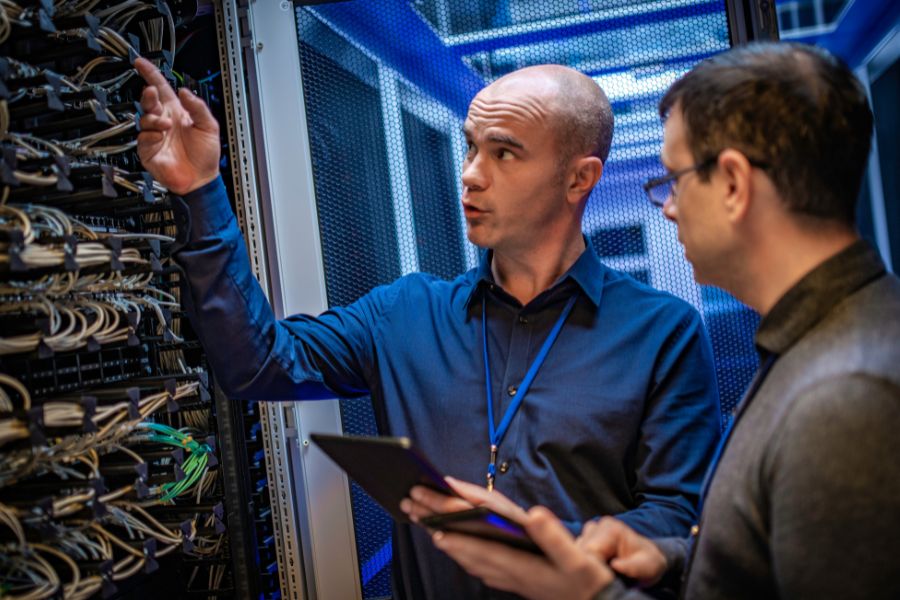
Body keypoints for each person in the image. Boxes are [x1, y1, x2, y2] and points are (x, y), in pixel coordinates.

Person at [133, 58, 721, 599]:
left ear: (579, 179)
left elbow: (676, 516)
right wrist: (200, 191)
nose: (470, 174)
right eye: (470, 149)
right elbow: (257, 362)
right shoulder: (405, 313)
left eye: (504, 154)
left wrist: (544, 540)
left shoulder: (663, 333)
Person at [421, 42, 900, 600]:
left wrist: (588, 593)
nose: (667, 206)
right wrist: (672, 557)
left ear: (733, 184)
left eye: (675, 178)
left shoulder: (847, 396)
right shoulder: (827, 344)